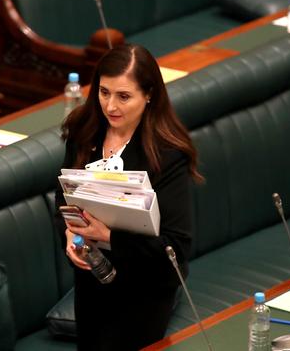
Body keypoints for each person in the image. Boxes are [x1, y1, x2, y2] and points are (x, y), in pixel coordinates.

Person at [55, 44, 203, 351]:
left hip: (145, 288)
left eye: (124, 96)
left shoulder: (167, 154)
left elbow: (176, 247)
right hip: (92, 283)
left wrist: (108, 235)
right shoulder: (83, 131)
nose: (110, 106)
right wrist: (70, 233)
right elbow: (63, 197)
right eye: (104, 92)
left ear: (148, 95)